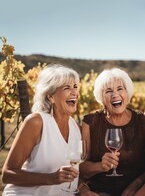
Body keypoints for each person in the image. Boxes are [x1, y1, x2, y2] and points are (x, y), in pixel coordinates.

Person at [2, 64, 82, 196]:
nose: (74, 92)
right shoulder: (36, 122)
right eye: (67, 88)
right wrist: (51, 178)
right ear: (51, 96)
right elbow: (7, 174)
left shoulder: (76, 128)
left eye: (75, 87)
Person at [79, 68, 145, 196]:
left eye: (120, 89)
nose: (115, 95)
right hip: (100, 191)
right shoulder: (91, 122)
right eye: (108, 91)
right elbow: (81, 168)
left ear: (127, 93)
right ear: (102, 98)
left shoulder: (142, 121)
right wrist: (100, 166)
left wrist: (138, 182)